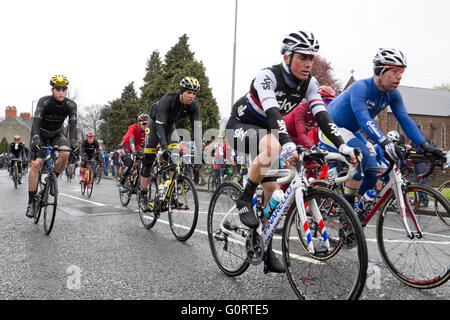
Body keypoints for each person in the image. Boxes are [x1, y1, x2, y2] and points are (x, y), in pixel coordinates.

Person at [225, 30, 357, 273]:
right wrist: (287, 143)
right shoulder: (268, 76)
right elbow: (274, 114)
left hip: (269, 134)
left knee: (275, 194)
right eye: (302, 58)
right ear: (287, 57)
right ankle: (244, 196)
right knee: (275, 145)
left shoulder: (310, 83)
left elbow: (322, 116)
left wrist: (341, 145)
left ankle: (263, 246)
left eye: (311, 59)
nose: (308, 64)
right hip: (240, 128)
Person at [318, 48, 446, 210]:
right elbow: (364, 119)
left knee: (373, 170)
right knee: (361, 153)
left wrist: (425, 145)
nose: (399, 77)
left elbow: (404, 120)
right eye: (395, 72)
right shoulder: (361, 87)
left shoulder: (393, 94)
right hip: (331, 128)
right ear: (380, 71)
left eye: (402, 72)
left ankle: (355, 213)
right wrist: (385, 143)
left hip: (351, 130)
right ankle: (347, 211)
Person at [139, 77, 201, 212]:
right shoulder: (168, 100)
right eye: (189, 92)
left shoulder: (194, 105)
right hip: (155, 123)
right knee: (148, 159)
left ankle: (172, 195)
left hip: (170, 125)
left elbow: (196, 128)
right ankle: (143, 197)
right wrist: (164, 147)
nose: (191, 96)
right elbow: (160, 127)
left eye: (194, 94)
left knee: (175, 157)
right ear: (182, 92)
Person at [26, 75, 78, 218]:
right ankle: (31, 203)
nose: (61, 92)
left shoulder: (71, 105)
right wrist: (36, 137)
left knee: (66, 152)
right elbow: (36, 121)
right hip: (40, 134)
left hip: (56, 134)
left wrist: (74, 141)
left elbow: (73, 125)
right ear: (52, 90)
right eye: (58, 89)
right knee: (36, 164)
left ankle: (52, 178)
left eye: (64, 89)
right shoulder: (44, 101)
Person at [284, 85, 336, 149]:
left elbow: (328, 129)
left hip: (298, 140)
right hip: (281, 135)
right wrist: (312, 147)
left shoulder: (321, 112)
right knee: (272, 157)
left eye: (332, 101)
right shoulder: (302, 108)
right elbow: (301, 132)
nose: (329, 104)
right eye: (328, 101)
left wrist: (340, 145)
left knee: (314, 158)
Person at [119, 114, 149, 191]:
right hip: (127, 145)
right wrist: (134, 153)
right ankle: (121, 182)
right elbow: (131, 141)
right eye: (144, 124)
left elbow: (150, 142)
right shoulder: (132, 128)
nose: (146, 126)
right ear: (139, 123)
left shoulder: (148, 130)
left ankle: (135, 179)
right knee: (129, 163)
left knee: (142, 162)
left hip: (137, 146)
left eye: (147, 124)